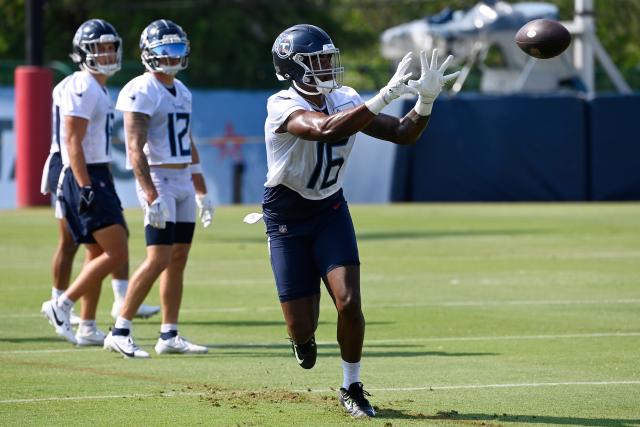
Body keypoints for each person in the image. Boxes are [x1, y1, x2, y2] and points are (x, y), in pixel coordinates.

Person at [263, 24, 458, 418]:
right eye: (316, 61)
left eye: (327, 58)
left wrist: (426, 102)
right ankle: (302, 339)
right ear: (292, 68)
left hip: (330, 210)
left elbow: (403, 134)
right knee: (301, 326)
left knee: (349, 302)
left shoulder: (344, 97)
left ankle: (352, 385)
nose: (326, 67)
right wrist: (384, 95)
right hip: (287, 217)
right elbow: (321, 129)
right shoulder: (280, 104)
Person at [104, 19, 213, 358]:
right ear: (149, 54)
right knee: (158, 258)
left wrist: (201, 190)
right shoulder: (141, 88)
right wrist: (150, 194)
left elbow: (187, 142)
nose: (171, 56)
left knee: (178, 258)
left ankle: (169, 333)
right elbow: (134, 148)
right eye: (164, 49)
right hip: (159, 179)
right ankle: (119, 329)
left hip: (181, 179)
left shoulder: (183, 91)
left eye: (176, 48)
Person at [40, 19, 130, 346]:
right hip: (85, 173)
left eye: (110, 47)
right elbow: (72, 141)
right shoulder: (83, 84)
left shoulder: (94, 85)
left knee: (96, 250)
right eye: (98, 48)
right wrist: (85, 185)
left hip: (93, 171)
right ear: (83, 52)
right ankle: (61, 304)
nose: (106, 53)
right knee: (116, 251)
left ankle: (88, 325)